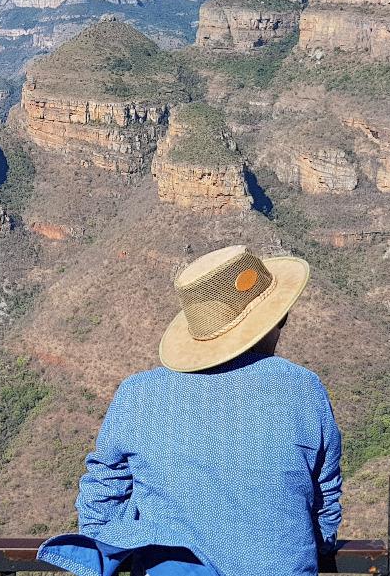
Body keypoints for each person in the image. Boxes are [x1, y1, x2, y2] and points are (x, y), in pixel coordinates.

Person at [38, 245, 344, 576]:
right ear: (279, 317)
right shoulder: (303, 389)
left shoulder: (137, 394)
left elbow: (101, 499)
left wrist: (128, 547)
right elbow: (324, 505)